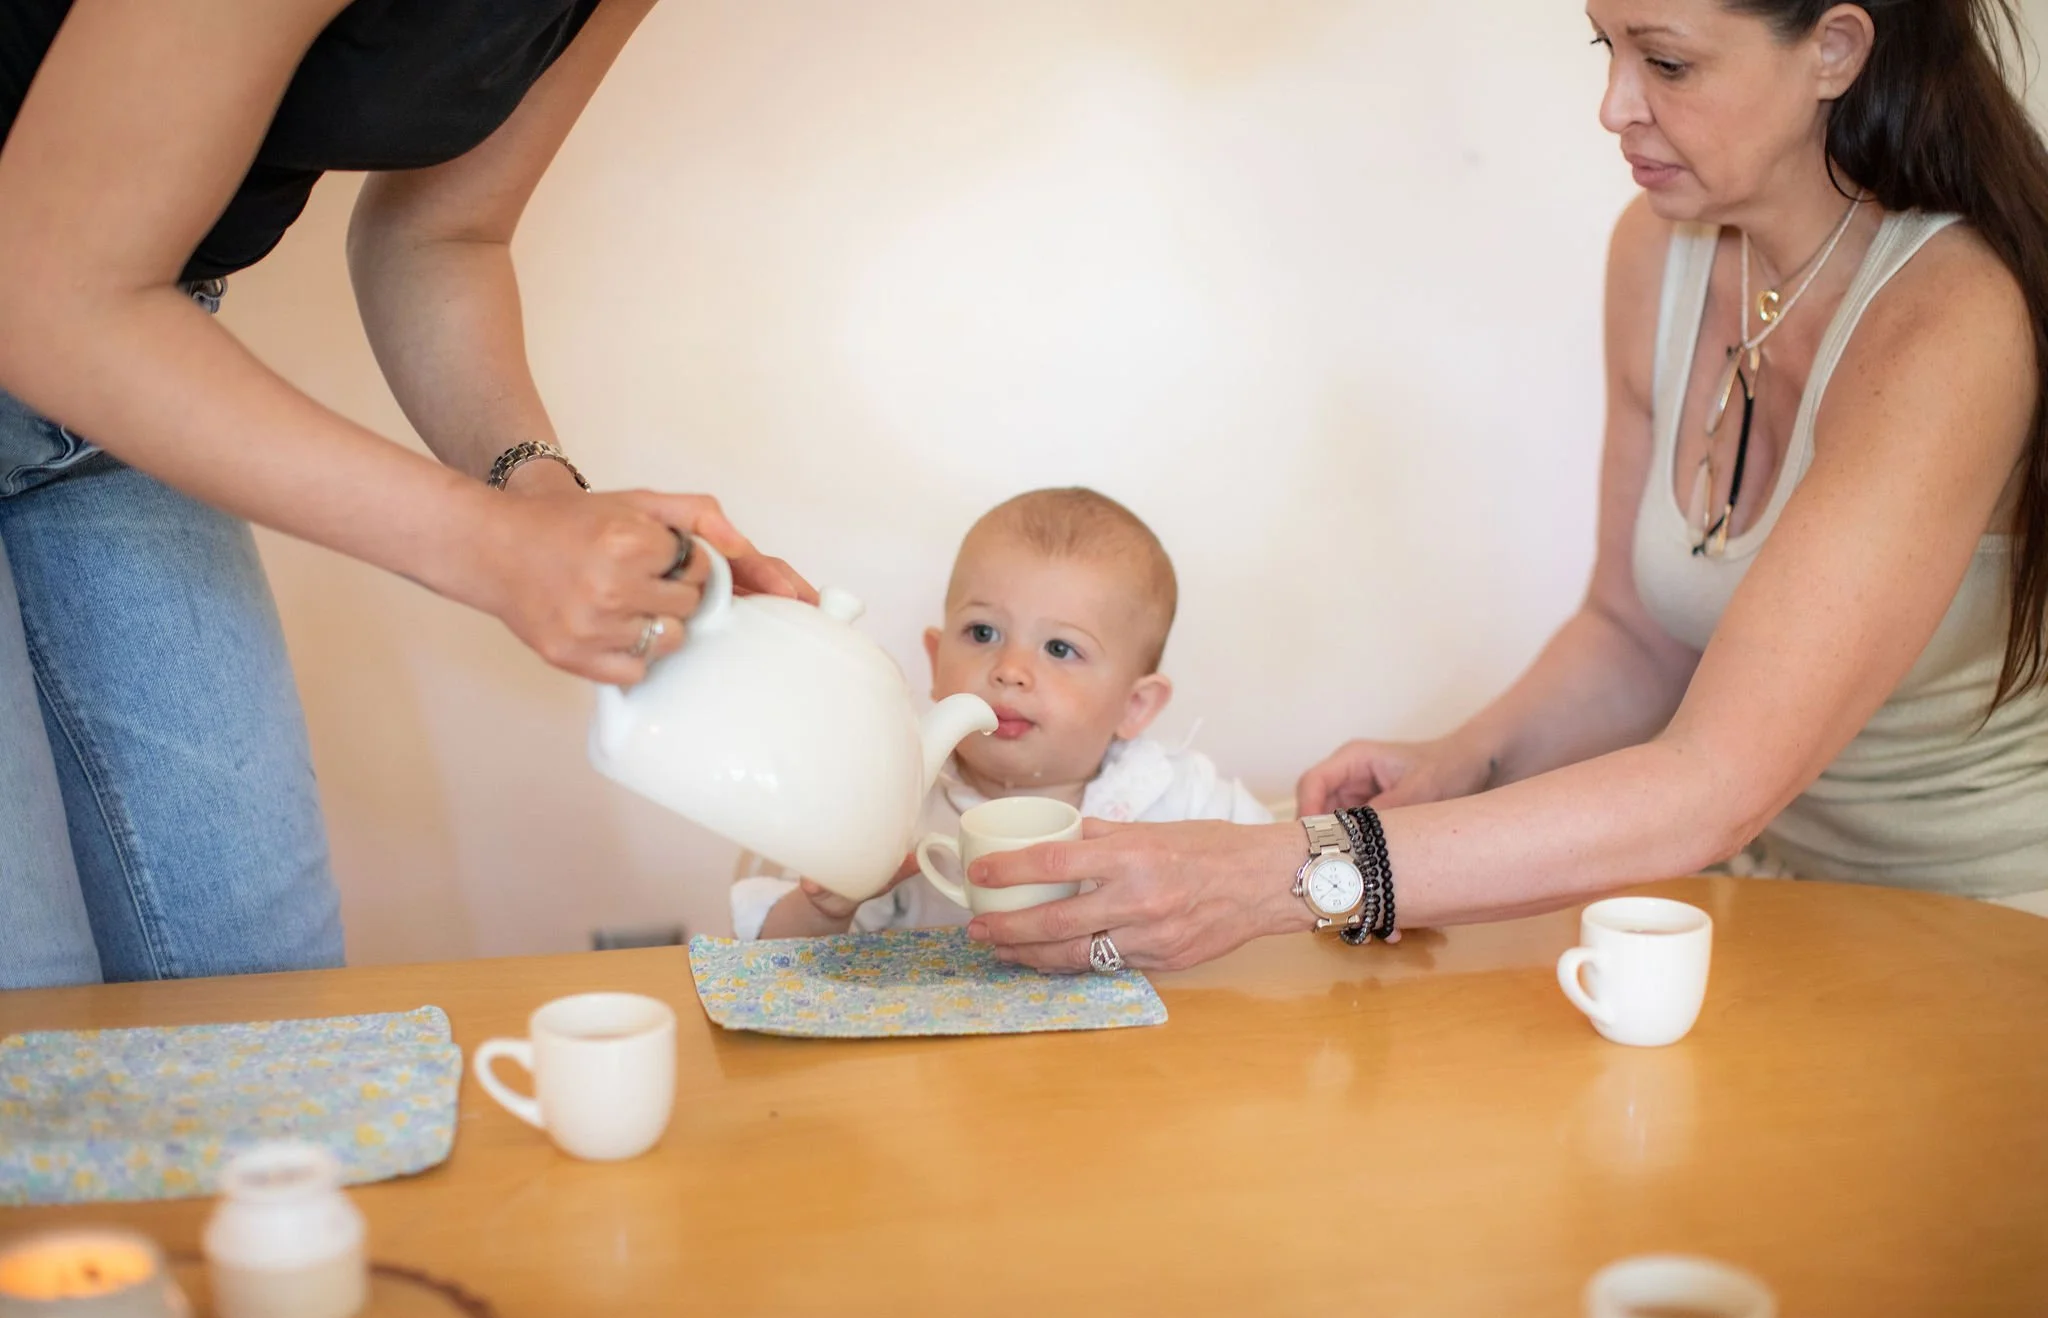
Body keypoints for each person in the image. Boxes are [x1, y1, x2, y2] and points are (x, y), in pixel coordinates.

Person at [965, 0, 2048, 974]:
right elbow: (1637, 632)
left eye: (1664, 62)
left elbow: (1714, 785)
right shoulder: (1659, 248)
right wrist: (1464, 757)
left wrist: (1270, 875)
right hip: (1773, 906)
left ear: (1833, 48)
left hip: (1989, 926)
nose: (1612, 106)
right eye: (1605, 48)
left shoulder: (1947, 319)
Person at [0, 1, 808, 988]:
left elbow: (443, 236)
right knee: (26, 1009)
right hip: (69, 310)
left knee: (261, 1000)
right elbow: (44, 293)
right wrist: (485, 548)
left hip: (125, 356)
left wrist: (539, 499)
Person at [731, 487, 1272, 940]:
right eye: (983, 633)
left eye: (1060, 649)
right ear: (936, 661)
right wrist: (828, 908)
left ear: (1135, 706)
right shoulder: (897, 802)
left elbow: (1289, 884)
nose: (1010, 669)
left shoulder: (1183, 798)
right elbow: (767, 960)